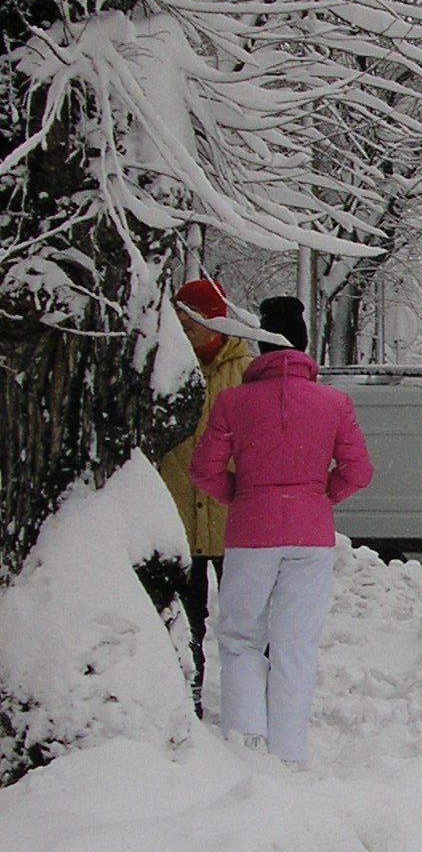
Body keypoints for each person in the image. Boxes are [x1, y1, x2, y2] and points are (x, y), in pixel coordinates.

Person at [189, 296, 372, 767]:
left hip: (251, 533)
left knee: (241, 637)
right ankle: (289, 753)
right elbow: (358, 471)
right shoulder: (335, 402)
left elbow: (203, 470)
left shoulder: (233, 400)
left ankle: (246, 744)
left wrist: (246, 497)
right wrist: (316, 498)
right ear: (305, 344)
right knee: (295, 644)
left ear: (261, 342)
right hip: (311, 537)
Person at [158, 276, 251, 715]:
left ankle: (249, 704)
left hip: (232, 522)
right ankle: (186, 700)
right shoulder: (165, 366)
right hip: (176, 518)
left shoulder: (246, 371)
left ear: (214, 321)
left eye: (189, 320)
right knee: (182, 622)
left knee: (245, 624)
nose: (182, 328)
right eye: (177, 320)